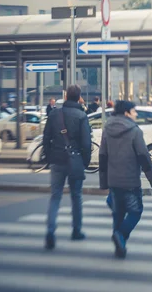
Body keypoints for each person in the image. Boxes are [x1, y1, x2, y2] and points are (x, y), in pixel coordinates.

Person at [99, 100, 152, 259]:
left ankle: (120, 247)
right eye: (134, 111)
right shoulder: (134, 131)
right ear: (126, 113)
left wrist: (103, 181)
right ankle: (121, 235)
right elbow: (144, 157)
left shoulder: (107, 129)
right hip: (130, 180)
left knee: (118, 213)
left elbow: (102, 156)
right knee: (135, 211)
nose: (136, 114)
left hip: (113, 180)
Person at [43, 84, 92, 250]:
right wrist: (85, 161)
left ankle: (50, 231)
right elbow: (86, 143)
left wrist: (49, 157)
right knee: (76, 196)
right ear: (78, 98)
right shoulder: (81, 115)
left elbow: (46, 138)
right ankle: (76, 230)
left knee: (55, 196)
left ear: (65, 97)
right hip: (75, 160)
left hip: (57, 160)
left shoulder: (55, 114)